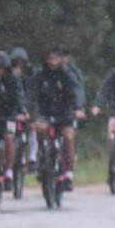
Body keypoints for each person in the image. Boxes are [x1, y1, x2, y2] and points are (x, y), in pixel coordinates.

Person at [31, 48, 86, 191]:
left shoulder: (67, 74)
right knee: (40, 129)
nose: (52, 62)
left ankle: (68, 173)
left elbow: (76, 91)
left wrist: (78, 108)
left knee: (68, 137)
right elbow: (31, 94)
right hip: (46, 113)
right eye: (49, 59)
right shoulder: (40, 75)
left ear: (59, 60)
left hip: (65, 114)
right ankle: (43, 155)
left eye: (55, 59)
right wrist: (28, 110)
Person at [0, 51, 27, 190]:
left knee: (9, 138)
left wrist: (21, 111)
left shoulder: (13, 80)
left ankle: (8, 171)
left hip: (9, 117)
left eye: (2, 68)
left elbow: (19, 96)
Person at [11, 46, 38, 168]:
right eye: (16, 62)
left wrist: (28, 111)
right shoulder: (8, 75)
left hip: (30, 106)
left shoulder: (31, 75)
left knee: (33, 128)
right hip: (13, 108)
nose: (19, 65)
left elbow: (33, 94)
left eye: (21, 62)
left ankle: (32, 156)